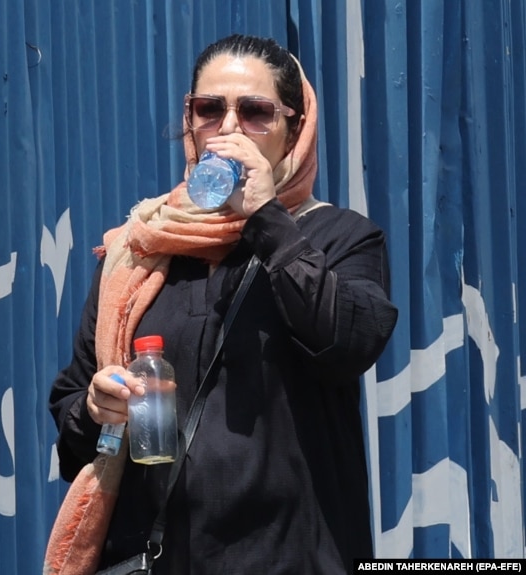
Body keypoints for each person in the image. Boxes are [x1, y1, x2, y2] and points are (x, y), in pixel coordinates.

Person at [49, 34, 398, 574]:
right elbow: (73, 409)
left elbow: (347, 343)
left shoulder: (336, 238)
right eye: (209, 109)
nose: (229, 128)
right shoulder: (141, 248)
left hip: (289, 559)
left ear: (294, 131)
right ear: (190, 123)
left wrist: (265, 217)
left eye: (255, 112)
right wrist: (95, 410)